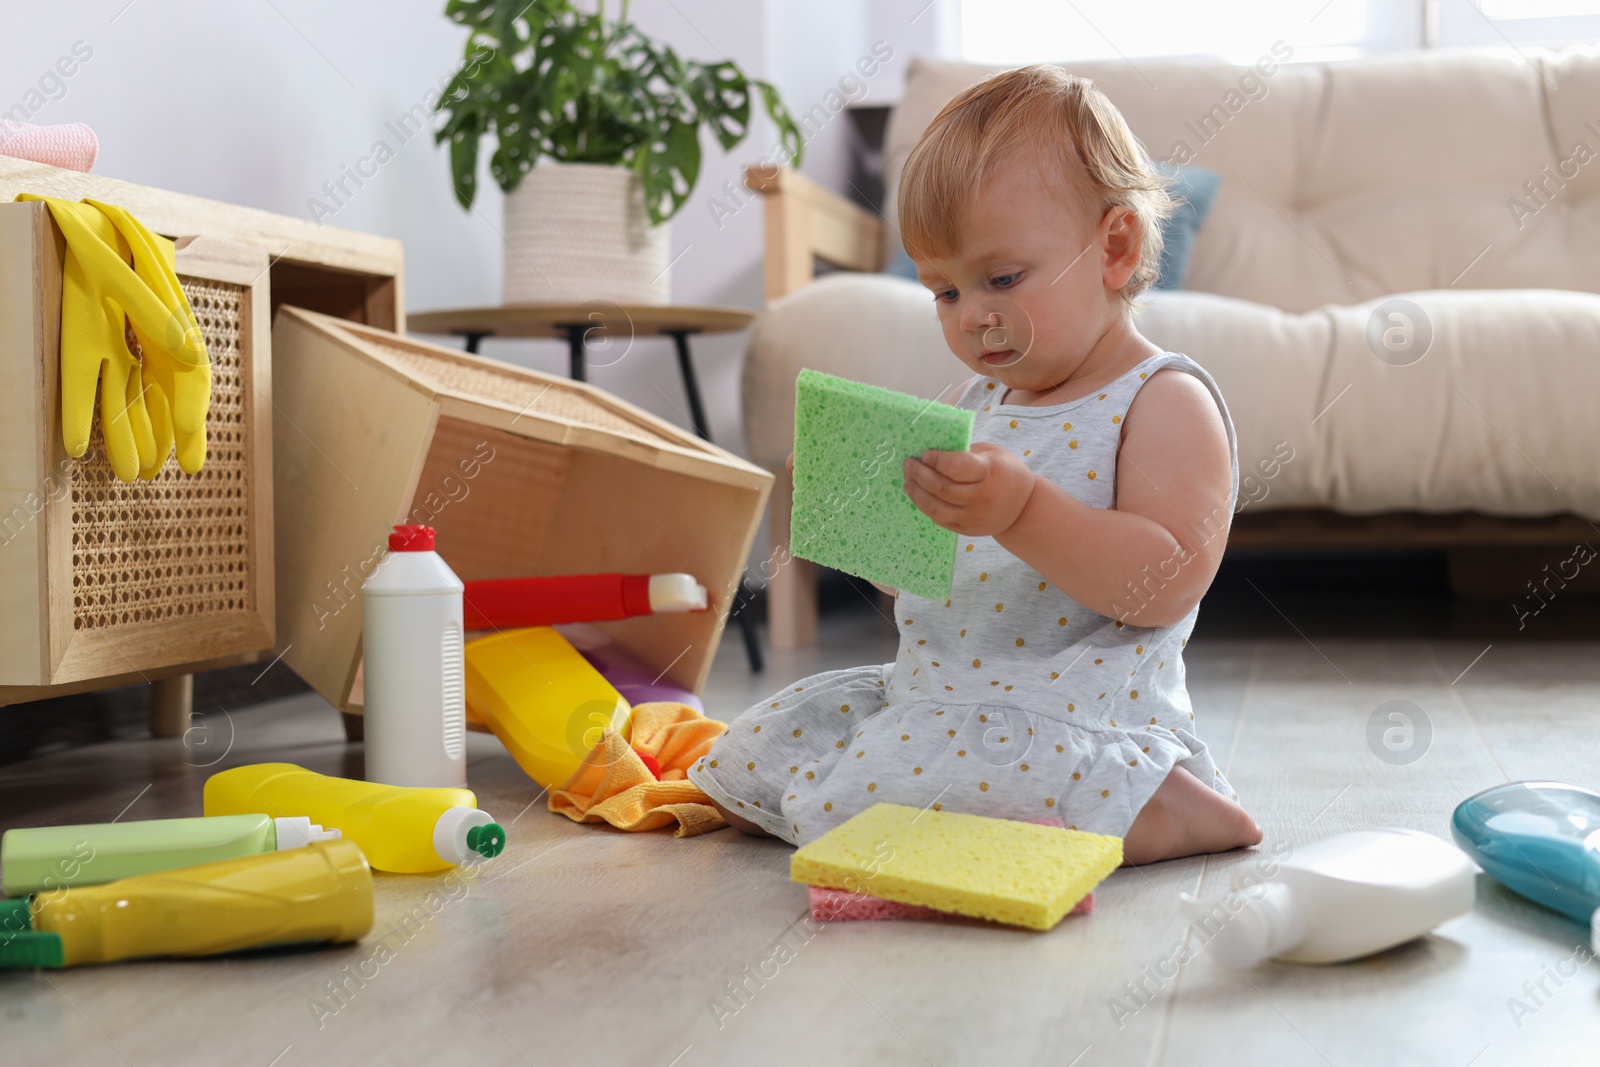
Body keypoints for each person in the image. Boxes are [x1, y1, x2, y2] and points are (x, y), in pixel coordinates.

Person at [686, 65, 1262, 865]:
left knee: (937, 775)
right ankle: (949, 801)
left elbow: (1163, 584)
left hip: (1079, 720)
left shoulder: (1160, 398)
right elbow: (945, 585)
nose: (973, 317)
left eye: (1000, 278)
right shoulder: (978, 400)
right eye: (944, 292)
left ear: (1115, 246)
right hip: (936, 698)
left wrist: (1024, 510)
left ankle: (1165, 805)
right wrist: (876, 527)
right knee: (744, 759)